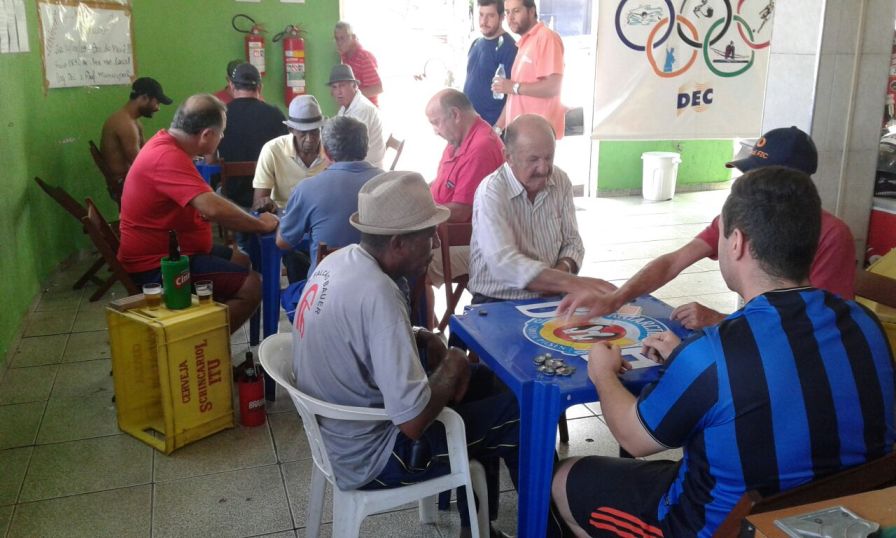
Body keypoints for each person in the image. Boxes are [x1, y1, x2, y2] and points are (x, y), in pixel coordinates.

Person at [551, 165, 895, 537]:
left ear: (737, 243)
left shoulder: (713, 354)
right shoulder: (865, 323)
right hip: (834, 521)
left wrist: (602, 372)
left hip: (720, 528)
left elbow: (633, 438)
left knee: (563, 478)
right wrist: (688, 361)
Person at [292, 171, 520, 536]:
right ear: (398, 243)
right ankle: (551, 527)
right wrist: (453, 363)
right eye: (428, 236)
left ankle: (476, 528)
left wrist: (421, 335)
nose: (435, 243)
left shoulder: (340, 261)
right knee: (518, 415)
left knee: (487, 385)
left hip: (339, 434)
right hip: (376, 456)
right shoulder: (378, 294)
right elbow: (413, 422)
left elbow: (364, 336)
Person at [558, 126, 857, 329]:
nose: (744, 184)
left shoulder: (832, 235)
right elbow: (674, 261)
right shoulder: (742, 214)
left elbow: (815, 327)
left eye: (756, 176)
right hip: (755, 338)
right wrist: (616, 298)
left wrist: (721, 321)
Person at [117, 94, 279, 334]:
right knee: (253, 286)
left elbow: (204, 201)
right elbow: (212, 207)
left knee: (241, 260)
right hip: (157, 265)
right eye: (221, 133)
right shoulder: (167, 156)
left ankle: (206, 323)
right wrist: (261, 225)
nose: (222, 138)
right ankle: (199, 347)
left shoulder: (169, 144)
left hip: (177, 249)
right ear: (206, 135)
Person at [468, 114, 612, 302]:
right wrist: (569, 283)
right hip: (497, 301)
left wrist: (560, 275)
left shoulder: (560, 180)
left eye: (549, 157)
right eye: (533, 159)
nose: (544, 169)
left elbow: (573, 243)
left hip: (552, 295)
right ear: (509, 157)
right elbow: (504, 264)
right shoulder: (491, 191)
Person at [276, 116, 383, 280]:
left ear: (325, 151)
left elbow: (283, 242)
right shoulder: (388, 183)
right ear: (366, 147)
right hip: (378, 284)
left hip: (326, 289)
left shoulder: (307, 188)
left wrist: (277, 220)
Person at [425, 89, 504, 296]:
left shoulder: (481, 147)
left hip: (470, 242)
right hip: (445, 233)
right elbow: (442, 182)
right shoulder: (458, 139)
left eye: (436, 123)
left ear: (455, 114)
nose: (435, 131)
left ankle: (422, 318)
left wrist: (420, 213)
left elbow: (461, 212)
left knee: (410, 263)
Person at [216, 63, 288, 212]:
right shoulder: (276, 115)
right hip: (268, 200)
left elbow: (210, 160)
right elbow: (287, 155)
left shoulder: (220, 116)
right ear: (260, 87)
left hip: (232, 197)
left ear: (231, 86)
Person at [491, 0, 565, 139]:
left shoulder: (546, 37)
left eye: (516, 11)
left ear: (531, 11)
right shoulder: (524, 43)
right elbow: (514, 95)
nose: (510, 18)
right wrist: (497, 129)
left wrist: (514, 87)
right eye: (507, 12)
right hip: (519, 136)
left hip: (537, 137)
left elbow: (553, 87)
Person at [252, 95, 328, 212]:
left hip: (321, 214)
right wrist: (266, 204)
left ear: (321, 129)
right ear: (291, 129)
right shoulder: (272, 150)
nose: (309, 139)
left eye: (314, 132)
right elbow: (259, 204)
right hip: (284, 214)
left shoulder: (331, 150)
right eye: (303, 133)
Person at [100, 77, 173, 182]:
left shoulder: (132, 121)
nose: (158, 108)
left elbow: (145, 153)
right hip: (124, 183)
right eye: (157, 102)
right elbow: (140, 163)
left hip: (129, 178)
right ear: (144, 98)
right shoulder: (125, 124)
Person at [464, 0, 517, 126]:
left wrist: (497, 129)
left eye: (490, 16)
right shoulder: (476, 43)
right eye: (481, 15)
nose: (484, 21)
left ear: (502, 17)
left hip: (490, 127)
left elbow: (513, 97)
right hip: (469, 124)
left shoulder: (509, 48)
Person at [328, 64, 386, 169]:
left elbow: (352, 149)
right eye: (334, 87)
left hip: (368, 170)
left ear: (354, 86)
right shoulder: (345, 107)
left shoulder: (362, 109)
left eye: (342, 85)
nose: (338, 92)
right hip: (356, 164)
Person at [334, 21, 383, 106]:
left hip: (367, 111)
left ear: (353, 37)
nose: (339, 43)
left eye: (343, 38)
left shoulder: (364, 57)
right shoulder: (345, 57)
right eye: (337, 39)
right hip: (355, 110)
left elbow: (378, 88)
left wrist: (352, 96)